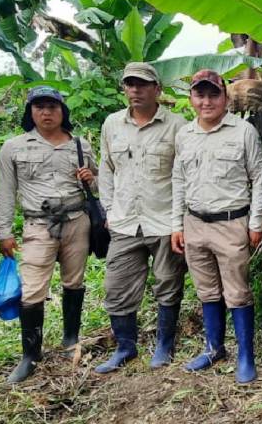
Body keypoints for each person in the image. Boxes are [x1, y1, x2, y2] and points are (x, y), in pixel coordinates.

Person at [170, 70, 262, 384]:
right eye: (200, 95)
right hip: (195, 223)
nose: (207, 101)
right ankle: (214, 348)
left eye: (213, 94)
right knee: (207, 290)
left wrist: (255, 223)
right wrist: (177, 224)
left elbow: (260, 179)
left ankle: (245, 356)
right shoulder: (185, 134)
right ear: (191, 100)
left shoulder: (243, 131)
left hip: (231, 223)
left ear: (225, 97)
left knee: (238, 293)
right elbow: (178, 181)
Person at [0, 86, 97, 383]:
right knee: (32, 289)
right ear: (30, 112)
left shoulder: (79, 144)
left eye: (52, 106)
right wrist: (3, 231)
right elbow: (5, 192)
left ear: (63, 111)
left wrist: (93, 178)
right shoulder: (14, 147)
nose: (46, 112)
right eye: (39, 107)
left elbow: (100, 184)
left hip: (77, 220)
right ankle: (30, 354)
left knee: (74, 281)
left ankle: (70, 339)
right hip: (38, 225)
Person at [95, 62, 188, 373]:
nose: (135, 90)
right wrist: (108, 208)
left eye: (143, 84)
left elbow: (184, 174)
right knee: (117, 286)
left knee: (168, 283)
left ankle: (164, 345)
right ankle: (125, 347)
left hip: (163, 220)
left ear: (157, 89)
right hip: (124, 221)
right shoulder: (111, 124)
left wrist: (180, 220)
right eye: (130, 84)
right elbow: (105, 168)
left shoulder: (177, 126)